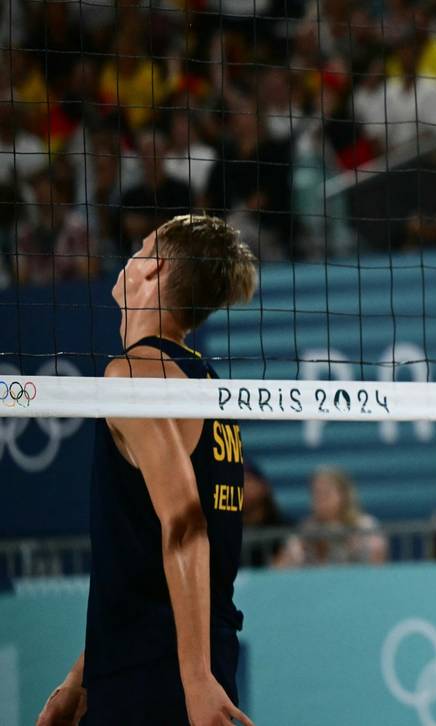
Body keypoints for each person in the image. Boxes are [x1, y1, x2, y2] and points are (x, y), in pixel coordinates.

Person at [37, 214, 257, 725]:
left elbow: (187, 527)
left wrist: (196, 680)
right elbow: (142, 568)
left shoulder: (135, 374)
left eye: (140, 247)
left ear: (154, 269)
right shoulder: (204, 383)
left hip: (160, 676)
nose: (130, 257)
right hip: (169, 660)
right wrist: (81, 678)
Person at [277, 465, 388, 566]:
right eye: (316, 493)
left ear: (344, 495)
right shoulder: (306, 530)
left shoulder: (365, 527)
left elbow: (377, 568)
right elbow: (279, 570)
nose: (320, 500)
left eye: (326, 493)